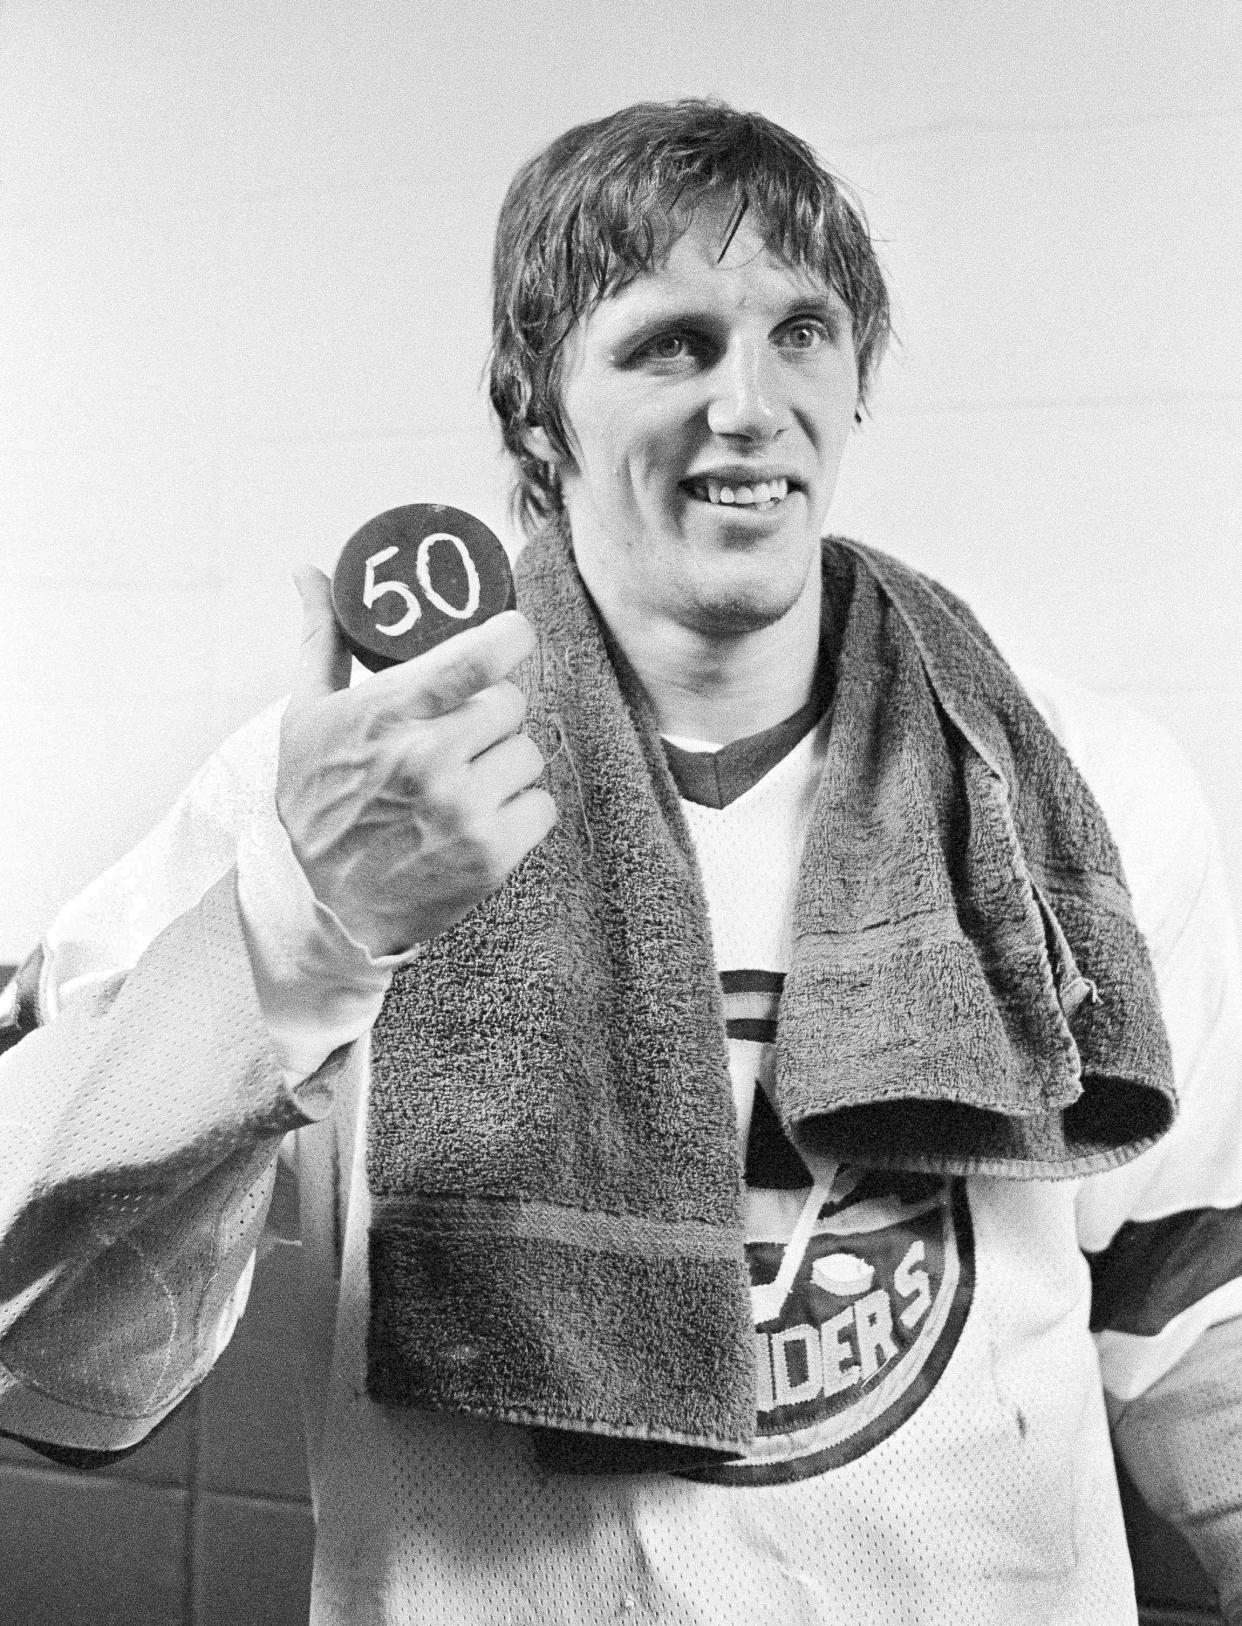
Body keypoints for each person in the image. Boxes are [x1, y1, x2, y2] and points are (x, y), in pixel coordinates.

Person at [2, 99, 1241, 1626]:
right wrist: (302, 926)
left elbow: (1183, 1287)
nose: (749, 401)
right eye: (670, 344)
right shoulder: (332, 788)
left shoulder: (1070, 787)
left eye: (802, 331)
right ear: (538, 414)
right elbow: (46, 1336)